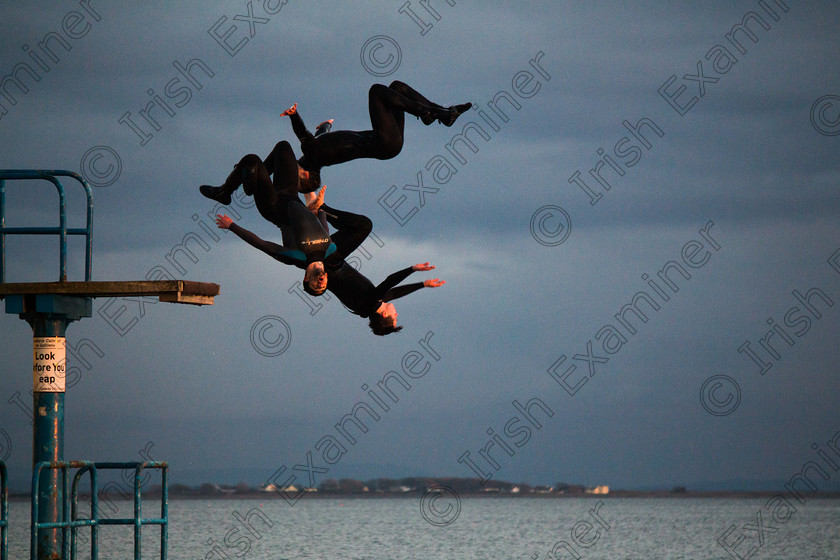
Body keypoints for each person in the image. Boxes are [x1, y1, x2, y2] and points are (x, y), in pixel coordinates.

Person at [219, 193, 445, 335]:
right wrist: (423, 284)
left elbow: (388, 284)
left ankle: (321, 207)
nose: (396, 313)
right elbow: (393, 293)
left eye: (395, 317)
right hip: (329, 262)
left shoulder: (373, 301)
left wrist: (413, 269)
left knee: (364, 226)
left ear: (385, 316)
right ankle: (314, 203)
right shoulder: (365, 308)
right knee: (310, 222)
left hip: (331, 263)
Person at [280, 80, 472, 192]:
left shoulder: (316, 152)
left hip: (388, 144)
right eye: (292, 174)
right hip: (384, 142)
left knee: (397, 89)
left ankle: (442, 114)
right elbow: (303, 134)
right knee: (377, 91)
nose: (288, 168)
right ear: (305, 173)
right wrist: (294, 115)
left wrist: (325, 126)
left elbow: (318, 136)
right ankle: (430, 113)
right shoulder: (313, 156)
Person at [205, 140, 338, 292]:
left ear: (306, 278)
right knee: (283, 147)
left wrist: (232, 226)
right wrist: (321, 208)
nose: (320, 285)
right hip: (290, 194)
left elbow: (262, 244)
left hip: (272, 207)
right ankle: (251, 177)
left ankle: (224, 192)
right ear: (326, 277)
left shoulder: (295, 257)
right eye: (323, 286)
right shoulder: (329, 249)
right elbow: (322, 224)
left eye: (315, 287)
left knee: (252, 160)